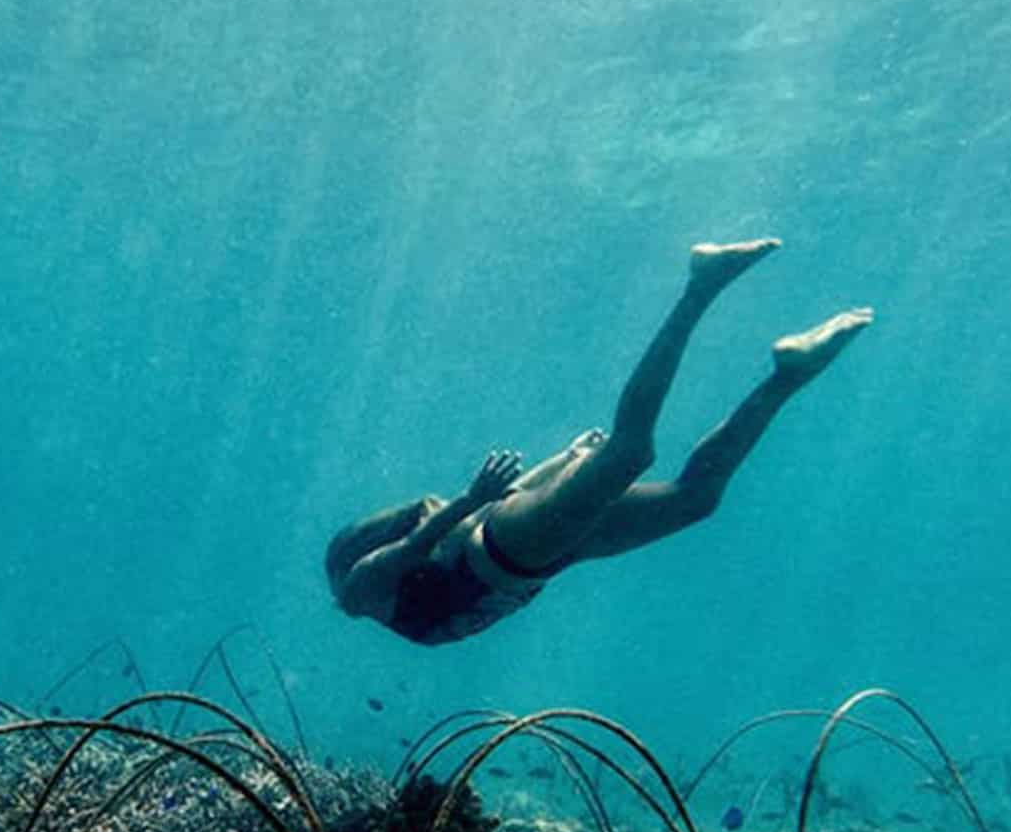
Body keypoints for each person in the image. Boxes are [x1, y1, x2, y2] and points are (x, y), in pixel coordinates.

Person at [325, 239, 872, 646]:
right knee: (695, 499)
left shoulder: (358, 590)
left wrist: (472, 498)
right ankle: (788, 375)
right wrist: (561, 461)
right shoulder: (394, 587)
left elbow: (414, 548)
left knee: (630, 453)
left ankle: (702, 285)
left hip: (509, 552)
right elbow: (501, 509)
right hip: (540, 553)